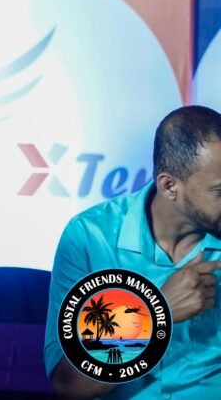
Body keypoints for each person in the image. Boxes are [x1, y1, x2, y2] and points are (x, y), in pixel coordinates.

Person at [44, 105, 221, 399]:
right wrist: (157, 312)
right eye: (219, 191)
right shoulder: (88, 236)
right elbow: (70, 384)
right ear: (169, 186)